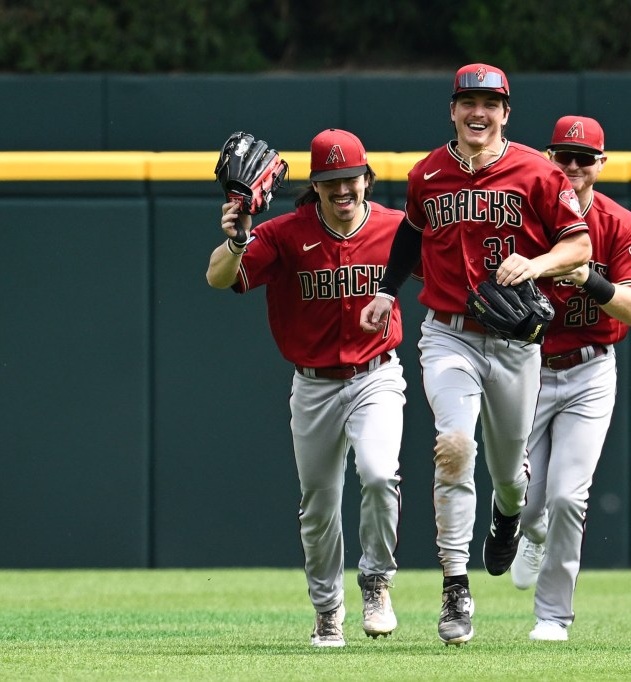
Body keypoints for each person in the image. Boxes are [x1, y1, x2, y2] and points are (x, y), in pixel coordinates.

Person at [360, 64, 592, 646]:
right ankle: (454, 586)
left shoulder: (538, 172)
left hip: (515, 344)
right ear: (453, 109)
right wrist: (387, 290)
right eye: (469, 102)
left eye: (490, 103)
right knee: (455, 447)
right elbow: (411, 234)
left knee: (510, 474)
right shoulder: (427, 174)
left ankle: (509, 512)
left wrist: (536, 265)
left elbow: (580, 242)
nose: (478, 113)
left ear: (506, 113)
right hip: (448, 332)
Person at [206, 128, 407, 648]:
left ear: (367, 179)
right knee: (319, 506)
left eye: (350, 180)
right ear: (314, 186)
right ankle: (327, 611)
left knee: (380, 474)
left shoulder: (395, 228)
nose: (342, 191)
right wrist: (235, 240)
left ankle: (377, 581)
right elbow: (218, 277)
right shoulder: (284, 234)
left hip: (376, 373)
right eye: (330, 182)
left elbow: (451, 270)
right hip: (314, 385)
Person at [509, 115, 631, 641]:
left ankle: (552, 616)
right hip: (529, 367)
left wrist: (589, 278)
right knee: (520, 492)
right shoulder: (527, 217)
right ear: (547, 158)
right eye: (563, 157)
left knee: (570, 497)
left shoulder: (617, 223)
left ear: (600, 165)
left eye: (583, 158)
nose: (572, 167)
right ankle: (532, 529)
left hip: (590, 369)